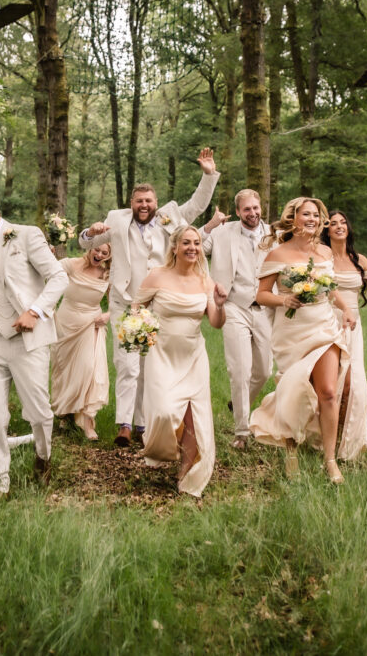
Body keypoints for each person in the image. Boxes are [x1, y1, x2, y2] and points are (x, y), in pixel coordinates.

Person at [79, 148, 220, 447]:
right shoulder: (116, 220)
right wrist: (89, 233)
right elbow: (87, 241)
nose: (144, 205)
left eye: (148, 201)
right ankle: (125, 425)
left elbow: (197, 205)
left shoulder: (170, 217)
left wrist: (208, 175)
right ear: (131, 203)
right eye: (139, 201)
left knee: (149, 365)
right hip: (124, 302)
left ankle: (143, 423)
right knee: (128, 364)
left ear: (156, 203)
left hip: (158, 305)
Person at [0, 183, 69, 491]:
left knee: (38, 411)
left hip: (27, 340)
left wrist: (34, 312)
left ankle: (43, 457)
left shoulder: (26, 234)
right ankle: (0, 481)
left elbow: (59, 277)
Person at [248, 197, 356, 484]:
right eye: (306, 214)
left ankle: (330, 460)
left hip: (323, 327)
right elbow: (261, 295)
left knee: (329, 393)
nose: (312, 219)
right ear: (293, 219)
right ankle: (291, 449)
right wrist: (285, 299)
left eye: (316, 215)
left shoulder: (324, 252)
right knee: (294, 390)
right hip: (291, 332)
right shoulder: (278, 255)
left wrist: (345, 310)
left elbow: (331, 290)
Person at [134, 225, 227, 497]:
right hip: (161, 353)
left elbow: (216, 323)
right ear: (174, 247)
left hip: (193, 355)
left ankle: (185, 477)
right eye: (186, 243)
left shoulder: (205, 282)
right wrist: (139, 330)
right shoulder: (157, 276)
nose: (192, 248)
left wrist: (220, 305)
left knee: (194, 418)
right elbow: (136, 308)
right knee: (163, 411)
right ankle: (160, 450)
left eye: (196, 243)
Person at [201, 188, 274, 450]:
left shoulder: (274, 235)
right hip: (233, 306)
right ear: (239, 211)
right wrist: (210, 225)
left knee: (264, 370)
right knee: (239, 370)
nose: (252, 213)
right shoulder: (223, 232)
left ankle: (239, 401)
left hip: (265, 308)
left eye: (255, 208)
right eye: (246, 209)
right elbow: (197, 246)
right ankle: (241, 431)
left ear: (260, 208)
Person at [320, 210, 367, 460]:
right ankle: (323, 438)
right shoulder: (322, 255)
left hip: (353, 327)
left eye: (343, 223)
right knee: (331, 382)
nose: (339, 226)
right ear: (326, 230)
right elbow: (323, 287)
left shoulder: (360, 260)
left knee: (352, 385)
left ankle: (345, 442)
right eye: (333, 224)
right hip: (327, 323)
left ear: (348, 228)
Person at [50, 244, 112, 441]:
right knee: (64, 371)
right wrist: (49, 254)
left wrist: (108, 315)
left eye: (104, 253)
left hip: (91, 324)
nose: (99, 255)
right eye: (97, 250)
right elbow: (46, 270)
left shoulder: (107, 274)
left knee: (88, 370)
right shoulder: (71, 264)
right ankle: (65, 413)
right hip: (65, 323)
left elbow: (117, 302)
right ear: (90, 249)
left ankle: (87, 423)